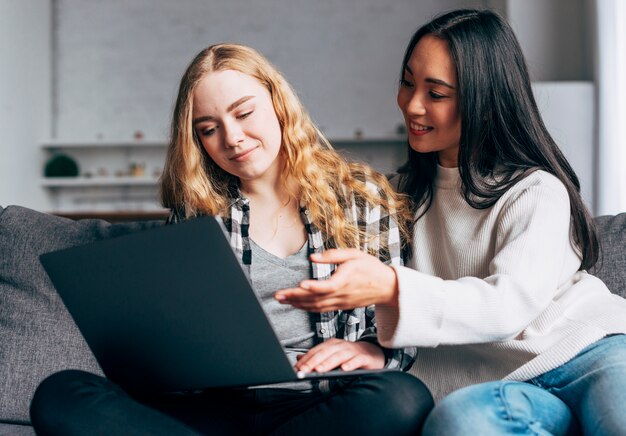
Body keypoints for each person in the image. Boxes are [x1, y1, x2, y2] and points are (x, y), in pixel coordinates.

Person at [29, 43, 433, 435]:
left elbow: (399, 305)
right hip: (213, 407)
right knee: (61, 394)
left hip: (317, 401)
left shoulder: (362, 195)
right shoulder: (198, 210)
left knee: (403, 399)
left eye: (244, 113)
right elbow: (174, 331)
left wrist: (375, 351)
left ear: (278, 103)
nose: (233, 138)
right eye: (209, 129)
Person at [275, 9, 626, 435]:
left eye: (436, 93)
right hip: (497, 385)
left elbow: (508, 306)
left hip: (588, 352)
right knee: (458, 423)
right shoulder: (393, 198)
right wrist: (374, 348)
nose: (412, 104)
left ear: (484, 98)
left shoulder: (534, 190)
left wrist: (392, 286)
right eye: (408, 82)